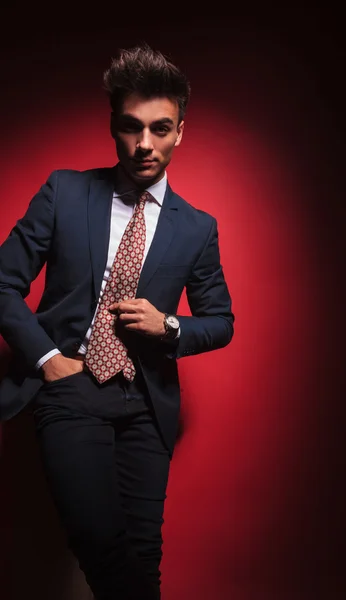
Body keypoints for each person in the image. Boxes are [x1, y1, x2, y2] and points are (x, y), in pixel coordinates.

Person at [0, 44, 234, 600]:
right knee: (101, 545)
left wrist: (170, 326)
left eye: (160, 128)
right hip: (71, 386)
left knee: (142, 555)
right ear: (113, 125)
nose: (144, 144)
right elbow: (3, 283)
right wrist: (49, 360)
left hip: (146, 403)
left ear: (181, 131)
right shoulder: (65, 192)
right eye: (131, 127)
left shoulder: (197, 227)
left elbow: (221, 321)